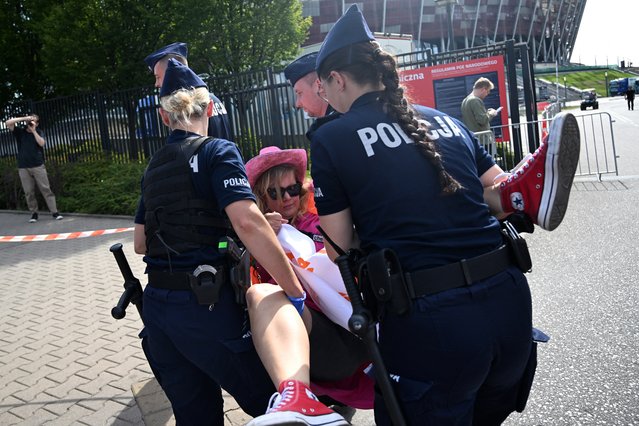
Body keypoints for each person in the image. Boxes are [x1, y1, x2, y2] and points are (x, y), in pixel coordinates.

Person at [307, 5, 580, 425]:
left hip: (432, 329)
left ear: (337, 79)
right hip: (509, 307)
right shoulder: (444, 121)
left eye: (324, 90)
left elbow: (338, 246)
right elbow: (493, 190)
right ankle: (531, 189)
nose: (327, 99)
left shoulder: (332, 138)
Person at [132, 58, 347, 426]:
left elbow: (140, 242)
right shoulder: (217, 151)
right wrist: (293, 290)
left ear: (165, 117)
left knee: (195, 414)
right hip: (207, 308)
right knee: (277, 404)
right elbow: (247, 222)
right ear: (210, 108)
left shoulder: (154, 167)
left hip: (159, 310)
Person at [244, 146, 374, 413]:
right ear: (262, 197)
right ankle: (300, 400)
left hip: (351, 333)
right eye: (276, 192)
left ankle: (308, 403)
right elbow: (251, 279)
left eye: (294, 189)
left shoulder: (321, 223)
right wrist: (262, 239)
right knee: (267, 295)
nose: (288, 198)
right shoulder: (257, 237)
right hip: (306, 335)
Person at [144, 42, 232, 140]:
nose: (156, 84)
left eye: (158, 77)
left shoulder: (184, 108)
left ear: (171, 71)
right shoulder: (212, 98)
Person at [4, 114, 63, 223]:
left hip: (38, 165)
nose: (31, 123)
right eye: (30, 121)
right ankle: (34, 213)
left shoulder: (39, 132)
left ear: (37, 123)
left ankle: (55, 212)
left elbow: (42, 143)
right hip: (23, 167)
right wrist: (24, 118)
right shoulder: (20, 132)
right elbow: (8, 123)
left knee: (46, 189)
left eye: (33, 121)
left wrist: (34, 130)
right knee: (29, 192)